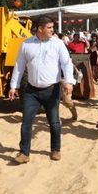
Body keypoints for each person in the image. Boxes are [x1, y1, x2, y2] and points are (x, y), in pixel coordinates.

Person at [9, 16, 75, 164]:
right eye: (49, 27)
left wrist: (69, 82)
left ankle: (55, 149)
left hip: (51, 90)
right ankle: (24, 153)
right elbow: (19, 66)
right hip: (31, 91)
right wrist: (14, 86)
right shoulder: (26, 44)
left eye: (52, 27)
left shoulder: (58, 44)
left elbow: (66, 63)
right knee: (26, 122)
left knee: (54, 122)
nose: (52, 30)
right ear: (40, 28)